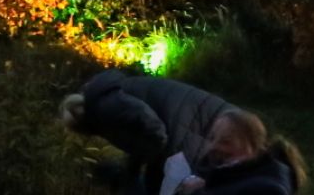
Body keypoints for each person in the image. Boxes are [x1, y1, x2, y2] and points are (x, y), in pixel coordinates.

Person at [60, 69, 236, 194]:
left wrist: (149, 158)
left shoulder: (106, 107)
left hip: (199, 129)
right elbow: (140, 138)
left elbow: (153, 128)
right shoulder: (108, 96)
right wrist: (134, 168)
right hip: (208, 120)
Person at [178, 110, 309, 195]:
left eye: (226, 141)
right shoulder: (216, 174)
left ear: (255, 147)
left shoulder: (268, 189)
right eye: (212, 138)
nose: (213, 146)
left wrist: (195, 192)